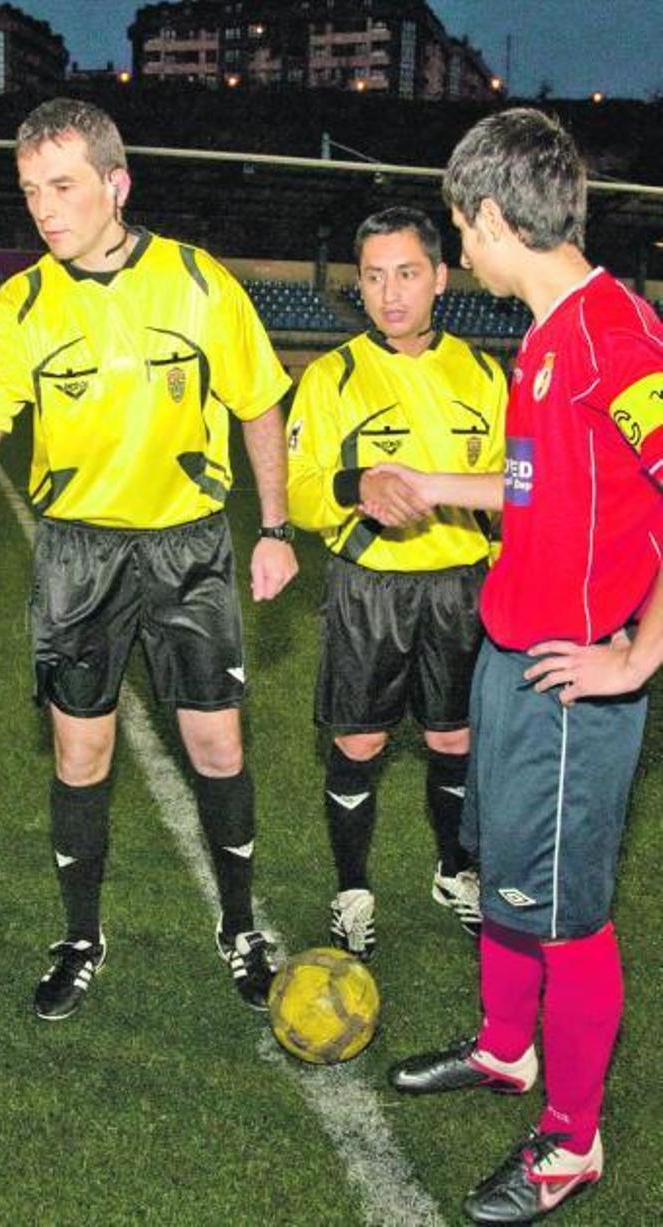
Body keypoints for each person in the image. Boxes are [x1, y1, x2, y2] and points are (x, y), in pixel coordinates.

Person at [0, 98, 298, 1021]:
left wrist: (277, 528)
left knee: (216, 743)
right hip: (78, 554)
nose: (44, 209)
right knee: (80, 751)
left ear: (115, 184)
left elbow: (257, 404)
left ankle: (240, 925)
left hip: (188, 547)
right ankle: (81, 937)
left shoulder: (203, 284)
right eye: (29, 191)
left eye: (62, 186)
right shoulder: (21, 305)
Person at [382, 109, 662, 1223]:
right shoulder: (546, 340)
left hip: (569, 683)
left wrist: (638, 658)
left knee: (569, 916)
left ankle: (572, 1142)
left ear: (496, 219)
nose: (460, 249)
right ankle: (508, 1050)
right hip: (511, 657)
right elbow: (546, 494)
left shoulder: (620, 339)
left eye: (460, 228)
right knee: (501, 870)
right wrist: (434, 485)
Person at [286, 207, 507, 960]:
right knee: (361, 738)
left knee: (454, 735)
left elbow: (516, 486)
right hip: (370, 587)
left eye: (407, 273)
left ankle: (455, 870)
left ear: (441, 277)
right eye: (374, 276)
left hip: (460, 587)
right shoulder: (331, 376)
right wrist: (355, 485)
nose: (390, 293)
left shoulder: (483, 375)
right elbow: (301, 489)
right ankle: (352, 889)